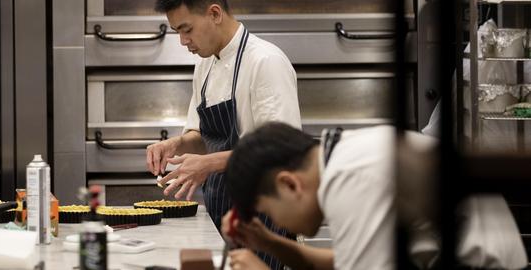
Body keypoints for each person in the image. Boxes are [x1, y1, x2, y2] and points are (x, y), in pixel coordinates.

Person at [146, 0, 301, 269]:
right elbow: (203, 136)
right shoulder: (204, 66)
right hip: (223, 213)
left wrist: (207, 164)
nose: (183, 41)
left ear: (214, 13)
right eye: (177, 31)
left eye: (186, 29)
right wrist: (176, 144)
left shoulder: (265, 62)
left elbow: (283, 152)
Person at [222, 122, 528, 270]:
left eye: (269, 212)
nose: (274, 222)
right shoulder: (343, 154)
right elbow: (340, 264)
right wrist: (270, 243)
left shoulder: (350, 177)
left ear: (289, 184)